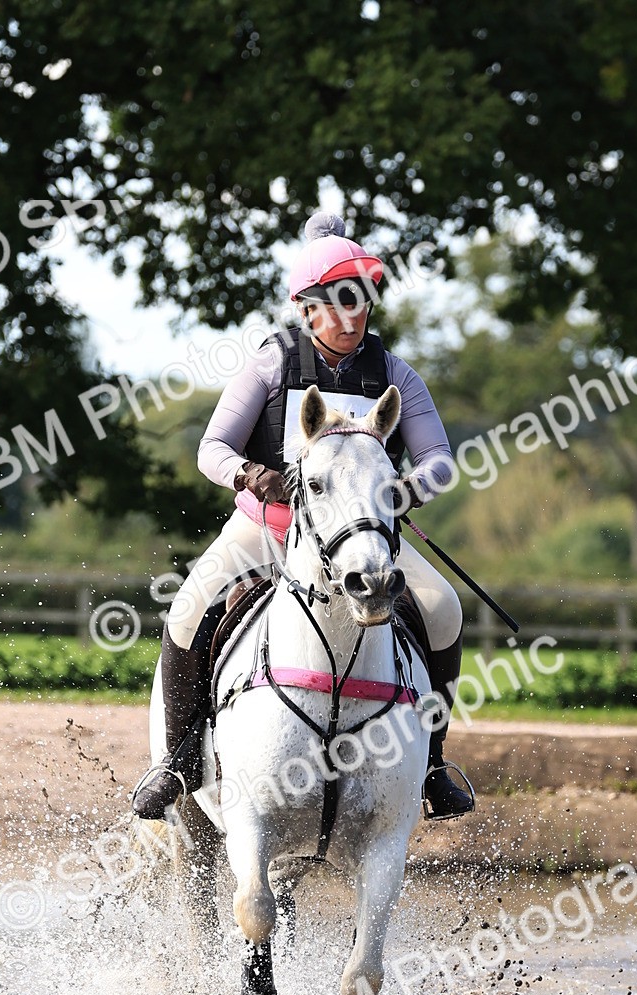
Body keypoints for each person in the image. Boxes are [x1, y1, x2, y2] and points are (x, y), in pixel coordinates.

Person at [131, 212, 474, 823]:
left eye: (360, 302)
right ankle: (178, 762)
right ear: (306, 308)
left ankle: (432, 764)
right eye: (337, 304)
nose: (351, 317)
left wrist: (403, 488)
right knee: (188, 608)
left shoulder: (395, 374)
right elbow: (211, 449)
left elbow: (439, 462)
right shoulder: (271, 365)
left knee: (443, 607)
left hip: (360, 537)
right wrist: (248, 474)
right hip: (268, 528)